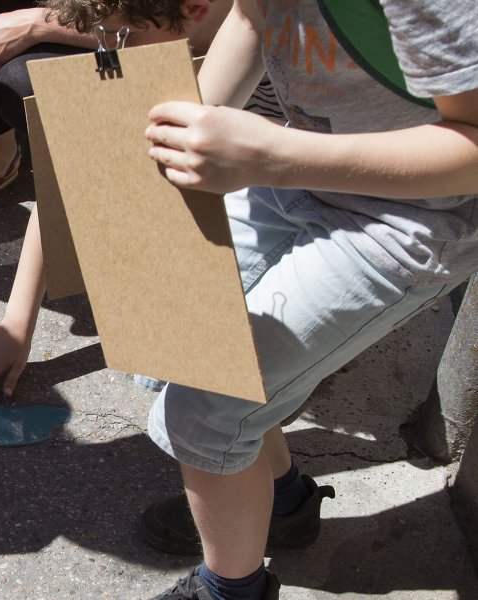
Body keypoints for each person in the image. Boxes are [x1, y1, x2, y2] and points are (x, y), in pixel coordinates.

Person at [48, 0, 475, 598]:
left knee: (204, 411)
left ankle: (232, 589)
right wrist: (188, 127)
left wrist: (269, 156)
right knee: (186, 342)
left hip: (404, 218)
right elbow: (253, 16)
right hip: (286, 167)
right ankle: (283, 506)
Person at [0, 0, 225, 238]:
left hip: (174, 42)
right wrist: (18, 315)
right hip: (135, 22)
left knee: (21, 85)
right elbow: (55, 206)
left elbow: (188, 40)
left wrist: (42, 24)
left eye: (118, 34)